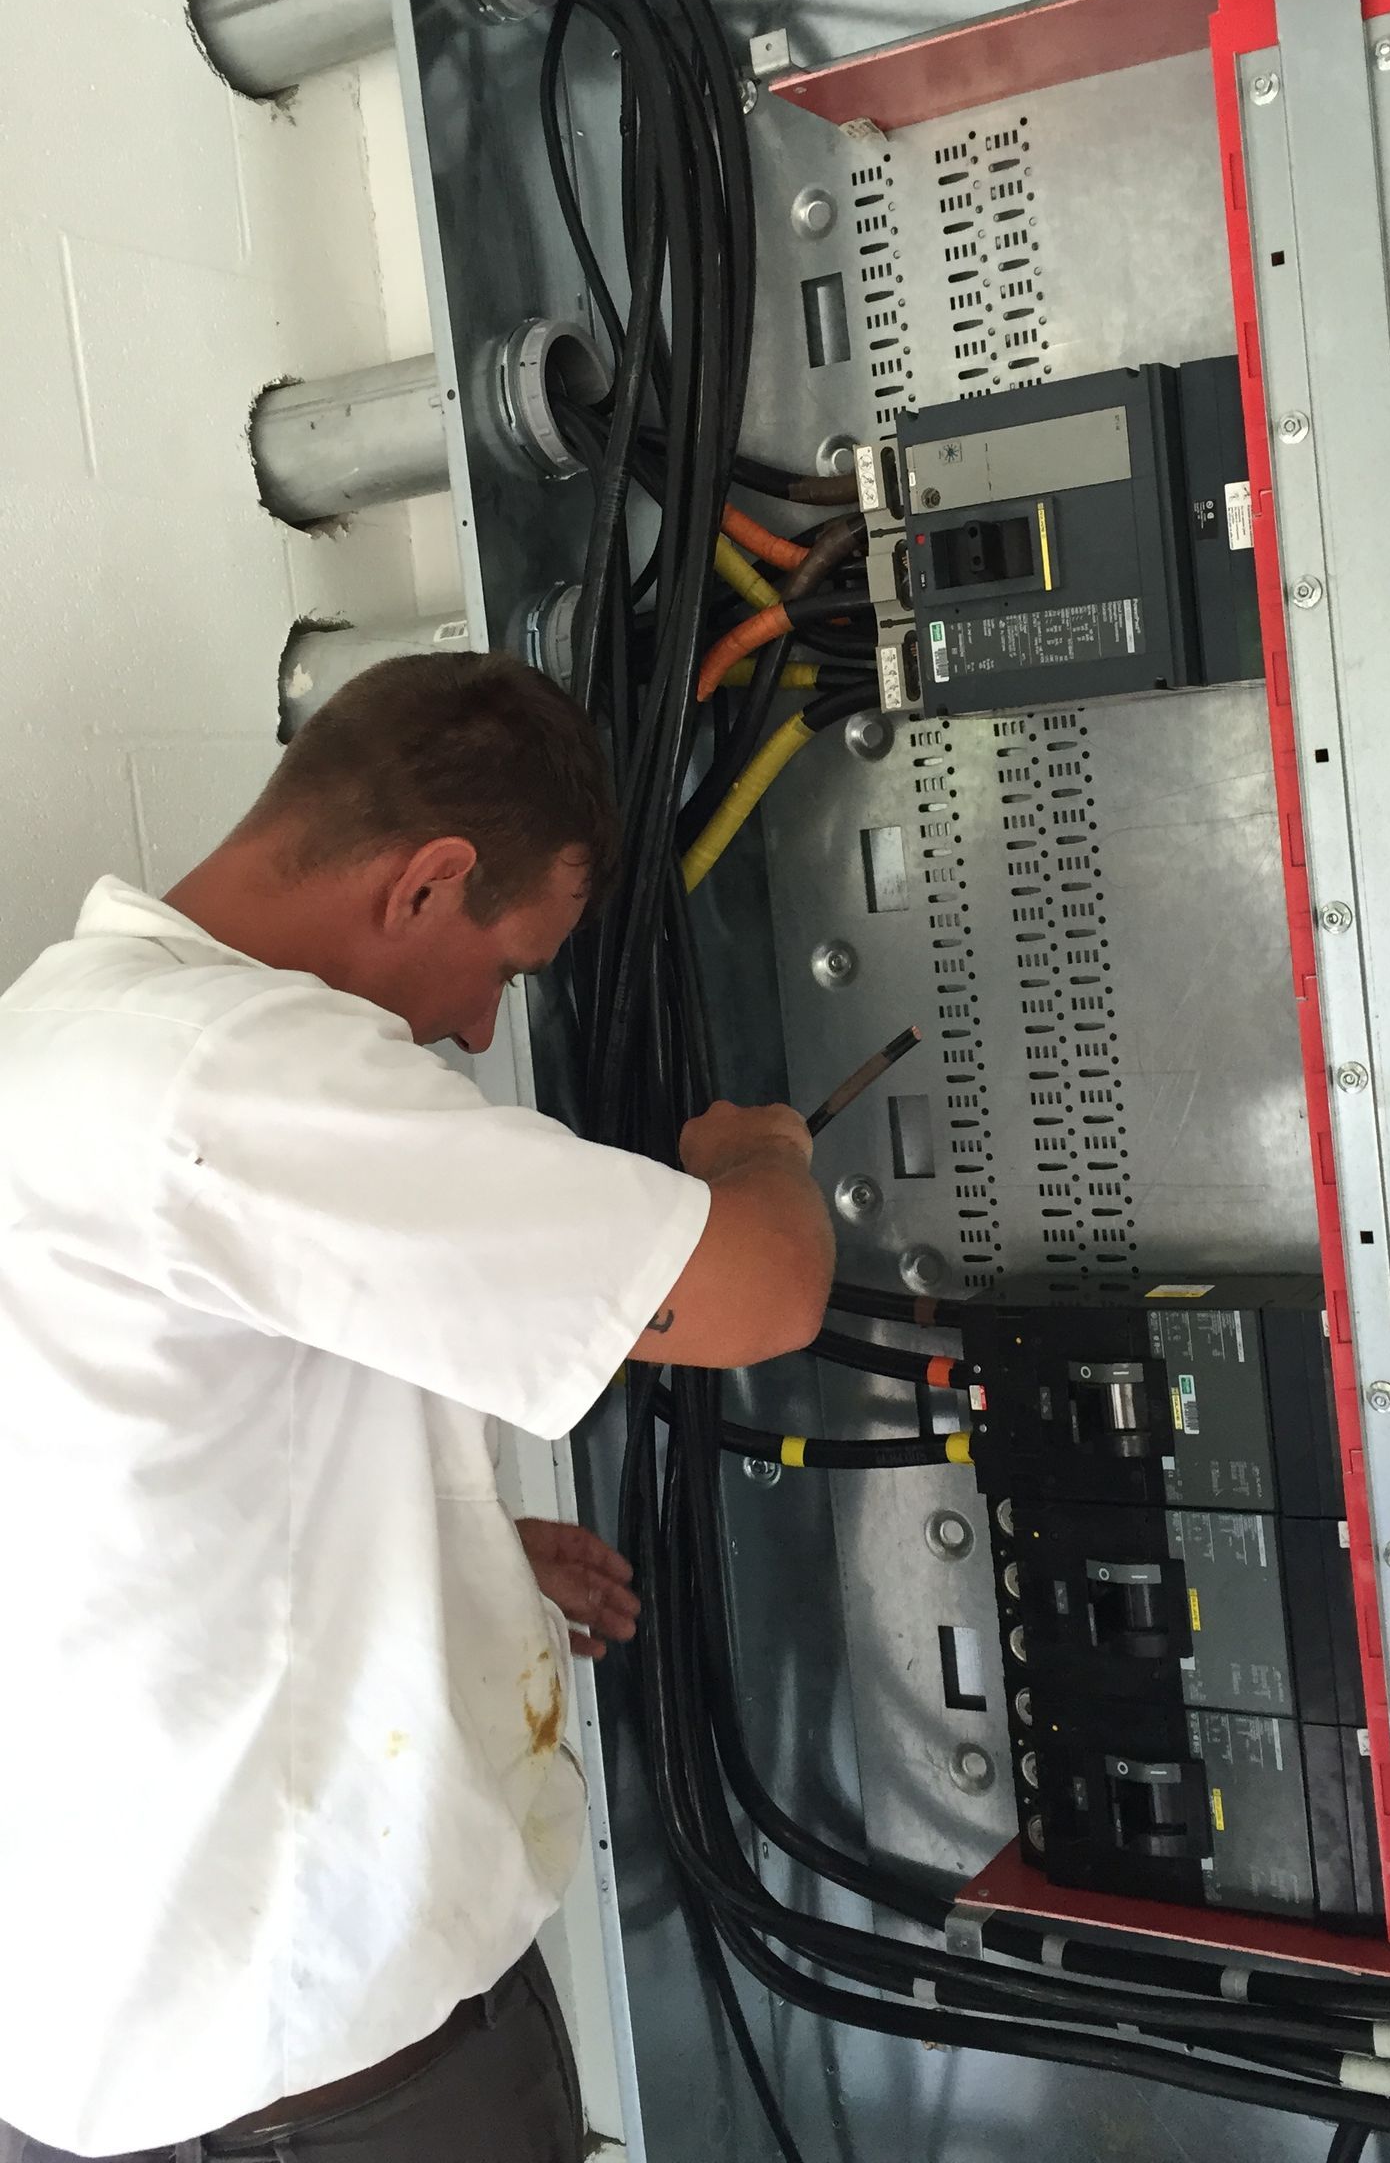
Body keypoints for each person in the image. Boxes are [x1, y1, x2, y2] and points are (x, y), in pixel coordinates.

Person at [0, 653, 834, 2163]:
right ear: (427, 882)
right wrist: (756, 1156)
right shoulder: (241, 1072)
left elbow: (113, 1481)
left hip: (91, 2043)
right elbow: (759, 1290)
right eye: (507, 970)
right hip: (317, 2071)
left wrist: (442, 1553)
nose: (478, 1031)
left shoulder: (55, 1039)